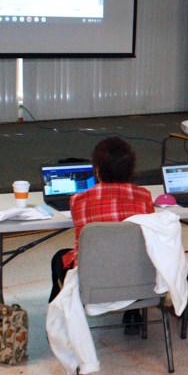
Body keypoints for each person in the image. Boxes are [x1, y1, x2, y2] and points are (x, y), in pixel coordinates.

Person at [49, 136, 154, 332]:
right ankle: (133, 315)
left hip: (94, 282)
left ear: (96, 170)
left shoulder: (78, 200)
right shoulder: (145, 197)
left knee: (58, 258)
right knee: (132, 250)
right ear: (131, 170)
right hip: (138, 280)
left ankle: (58, 323)